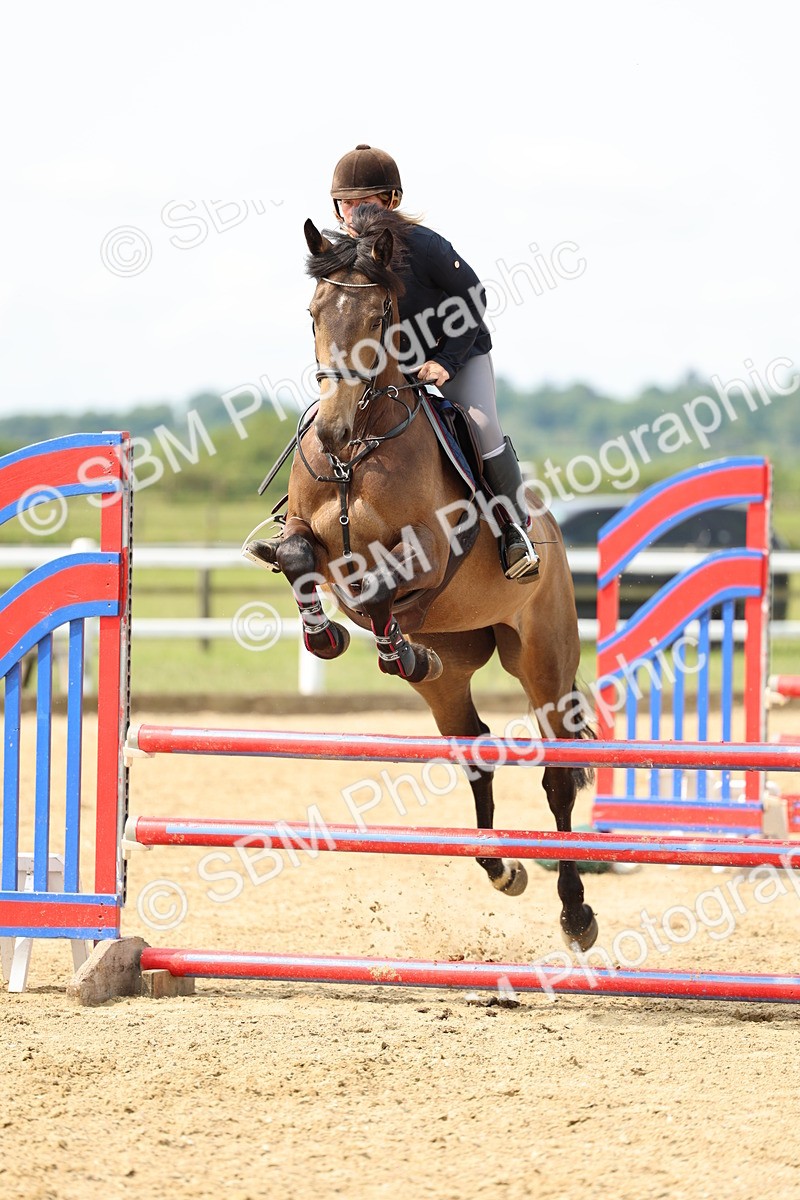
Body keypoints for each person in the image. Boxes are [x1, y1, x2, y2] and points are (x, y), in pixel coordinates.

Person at [329, 144, 539, 582]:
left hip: (457, 355)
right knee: (330, 420)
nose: (354, 212)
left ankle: (515, 529)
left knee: (482, 426)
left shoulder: (423, 245)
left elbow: (474, 296)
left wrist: (445, 360)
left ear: (390, 201)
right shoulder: (341, 254)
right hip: (389, 369)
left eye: (364, 202)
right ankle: (298, 520)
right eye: (347, 203)